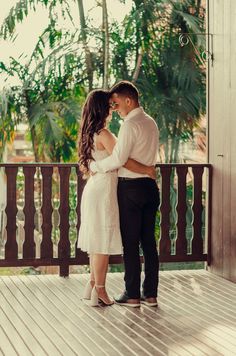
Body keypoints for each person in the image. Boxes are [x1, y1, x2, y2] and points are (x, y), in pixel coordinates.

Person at [77, 89, 156, 307]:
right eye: (110, 105)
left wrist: (94, 166)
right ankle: (100, 290)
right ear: (102, 108)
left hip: (94, 187)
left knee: (96, 240)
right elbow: (123, 160)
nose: (113, 109)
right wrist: (148, 169)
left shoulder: (89, 133)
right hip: (104, 188)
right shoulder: (105, 134)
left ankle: (93, 284)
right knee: (101, 240)